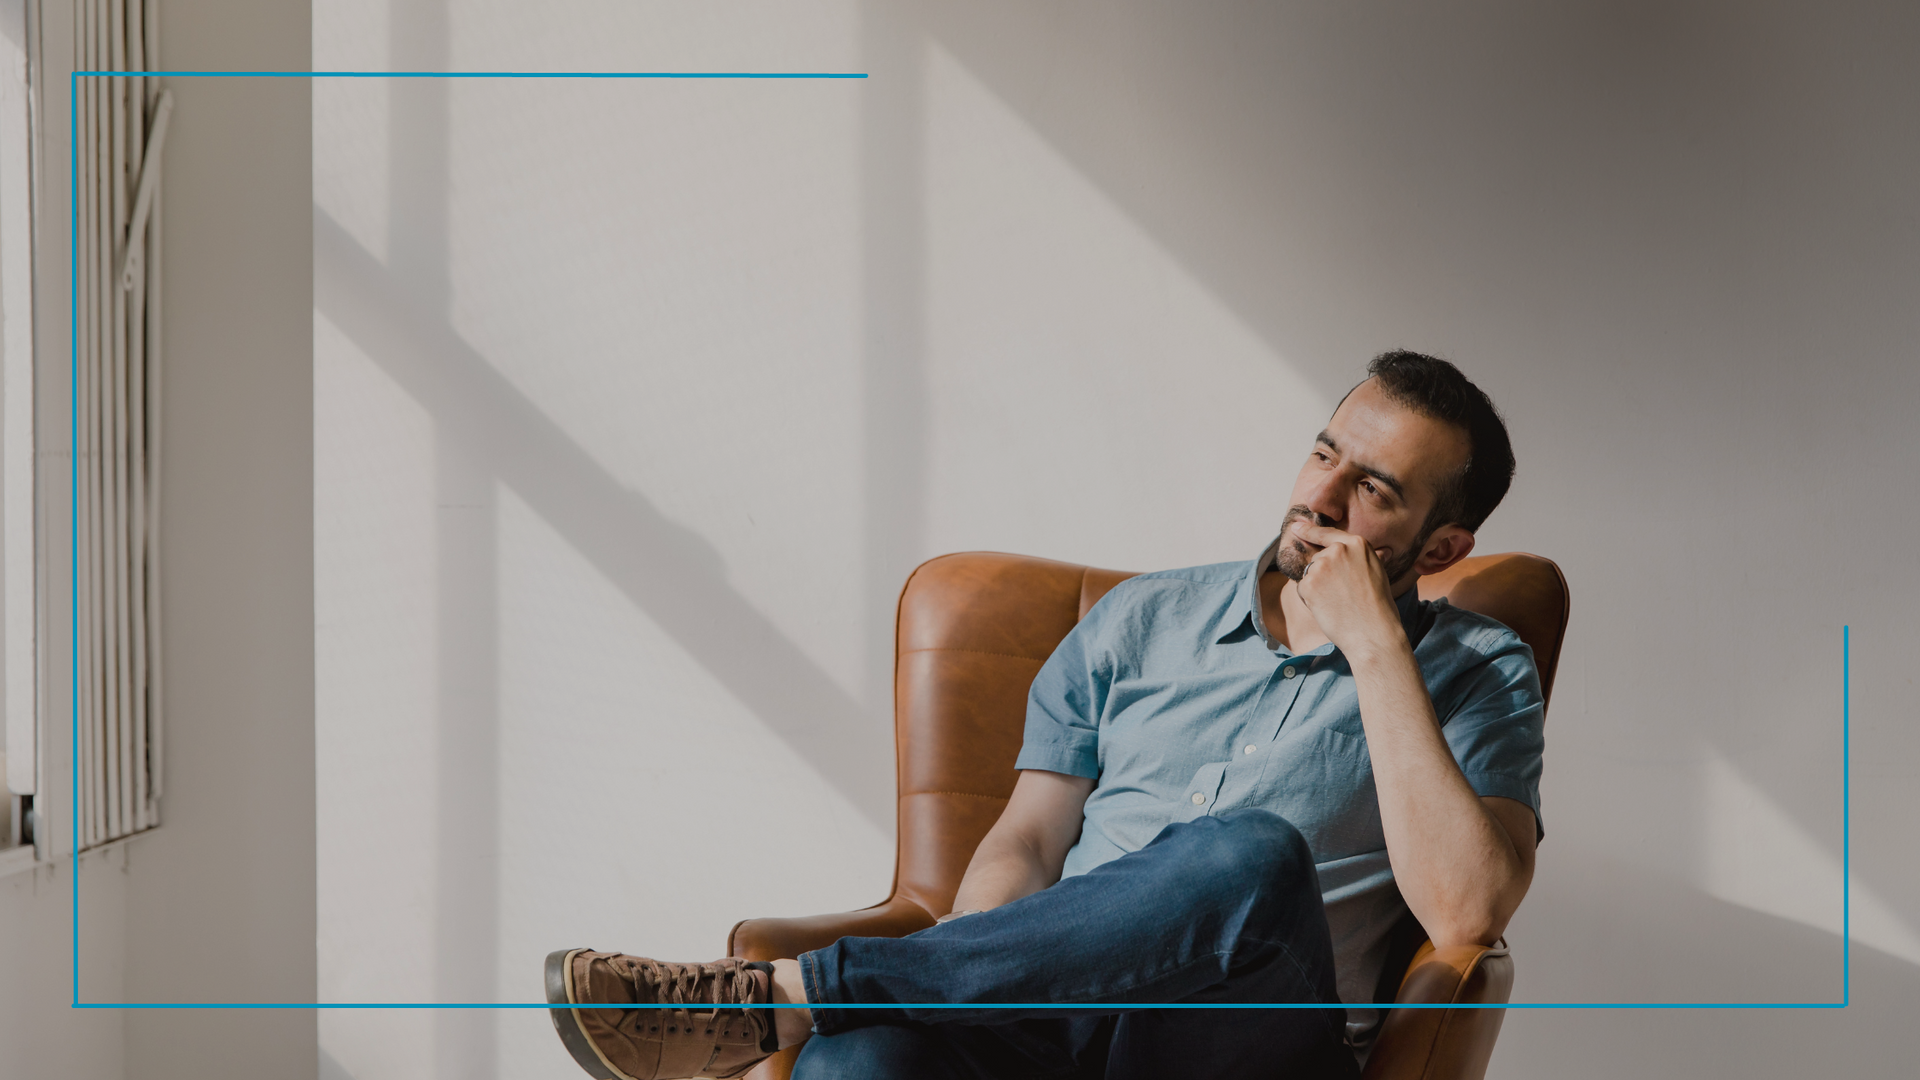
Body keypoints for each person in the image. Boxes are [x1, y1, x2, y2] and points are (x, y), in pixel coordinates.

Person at [542, 351, 1545, 1080]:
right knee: (860, 1066)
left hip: (1240, 1048)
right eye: (1323, 454)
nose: (1318, 497)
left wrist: (1373, 645)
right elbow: (1026, 839)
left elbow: (1469, 911)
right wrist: (972, 987)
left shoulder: (1475, 669)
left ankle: (781, 999)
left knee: (1245, 853)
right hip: (1055, 1023)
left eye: (1371, 490)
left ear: (1441, 545)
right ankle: (831, 1008)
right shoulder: (1145, 620)